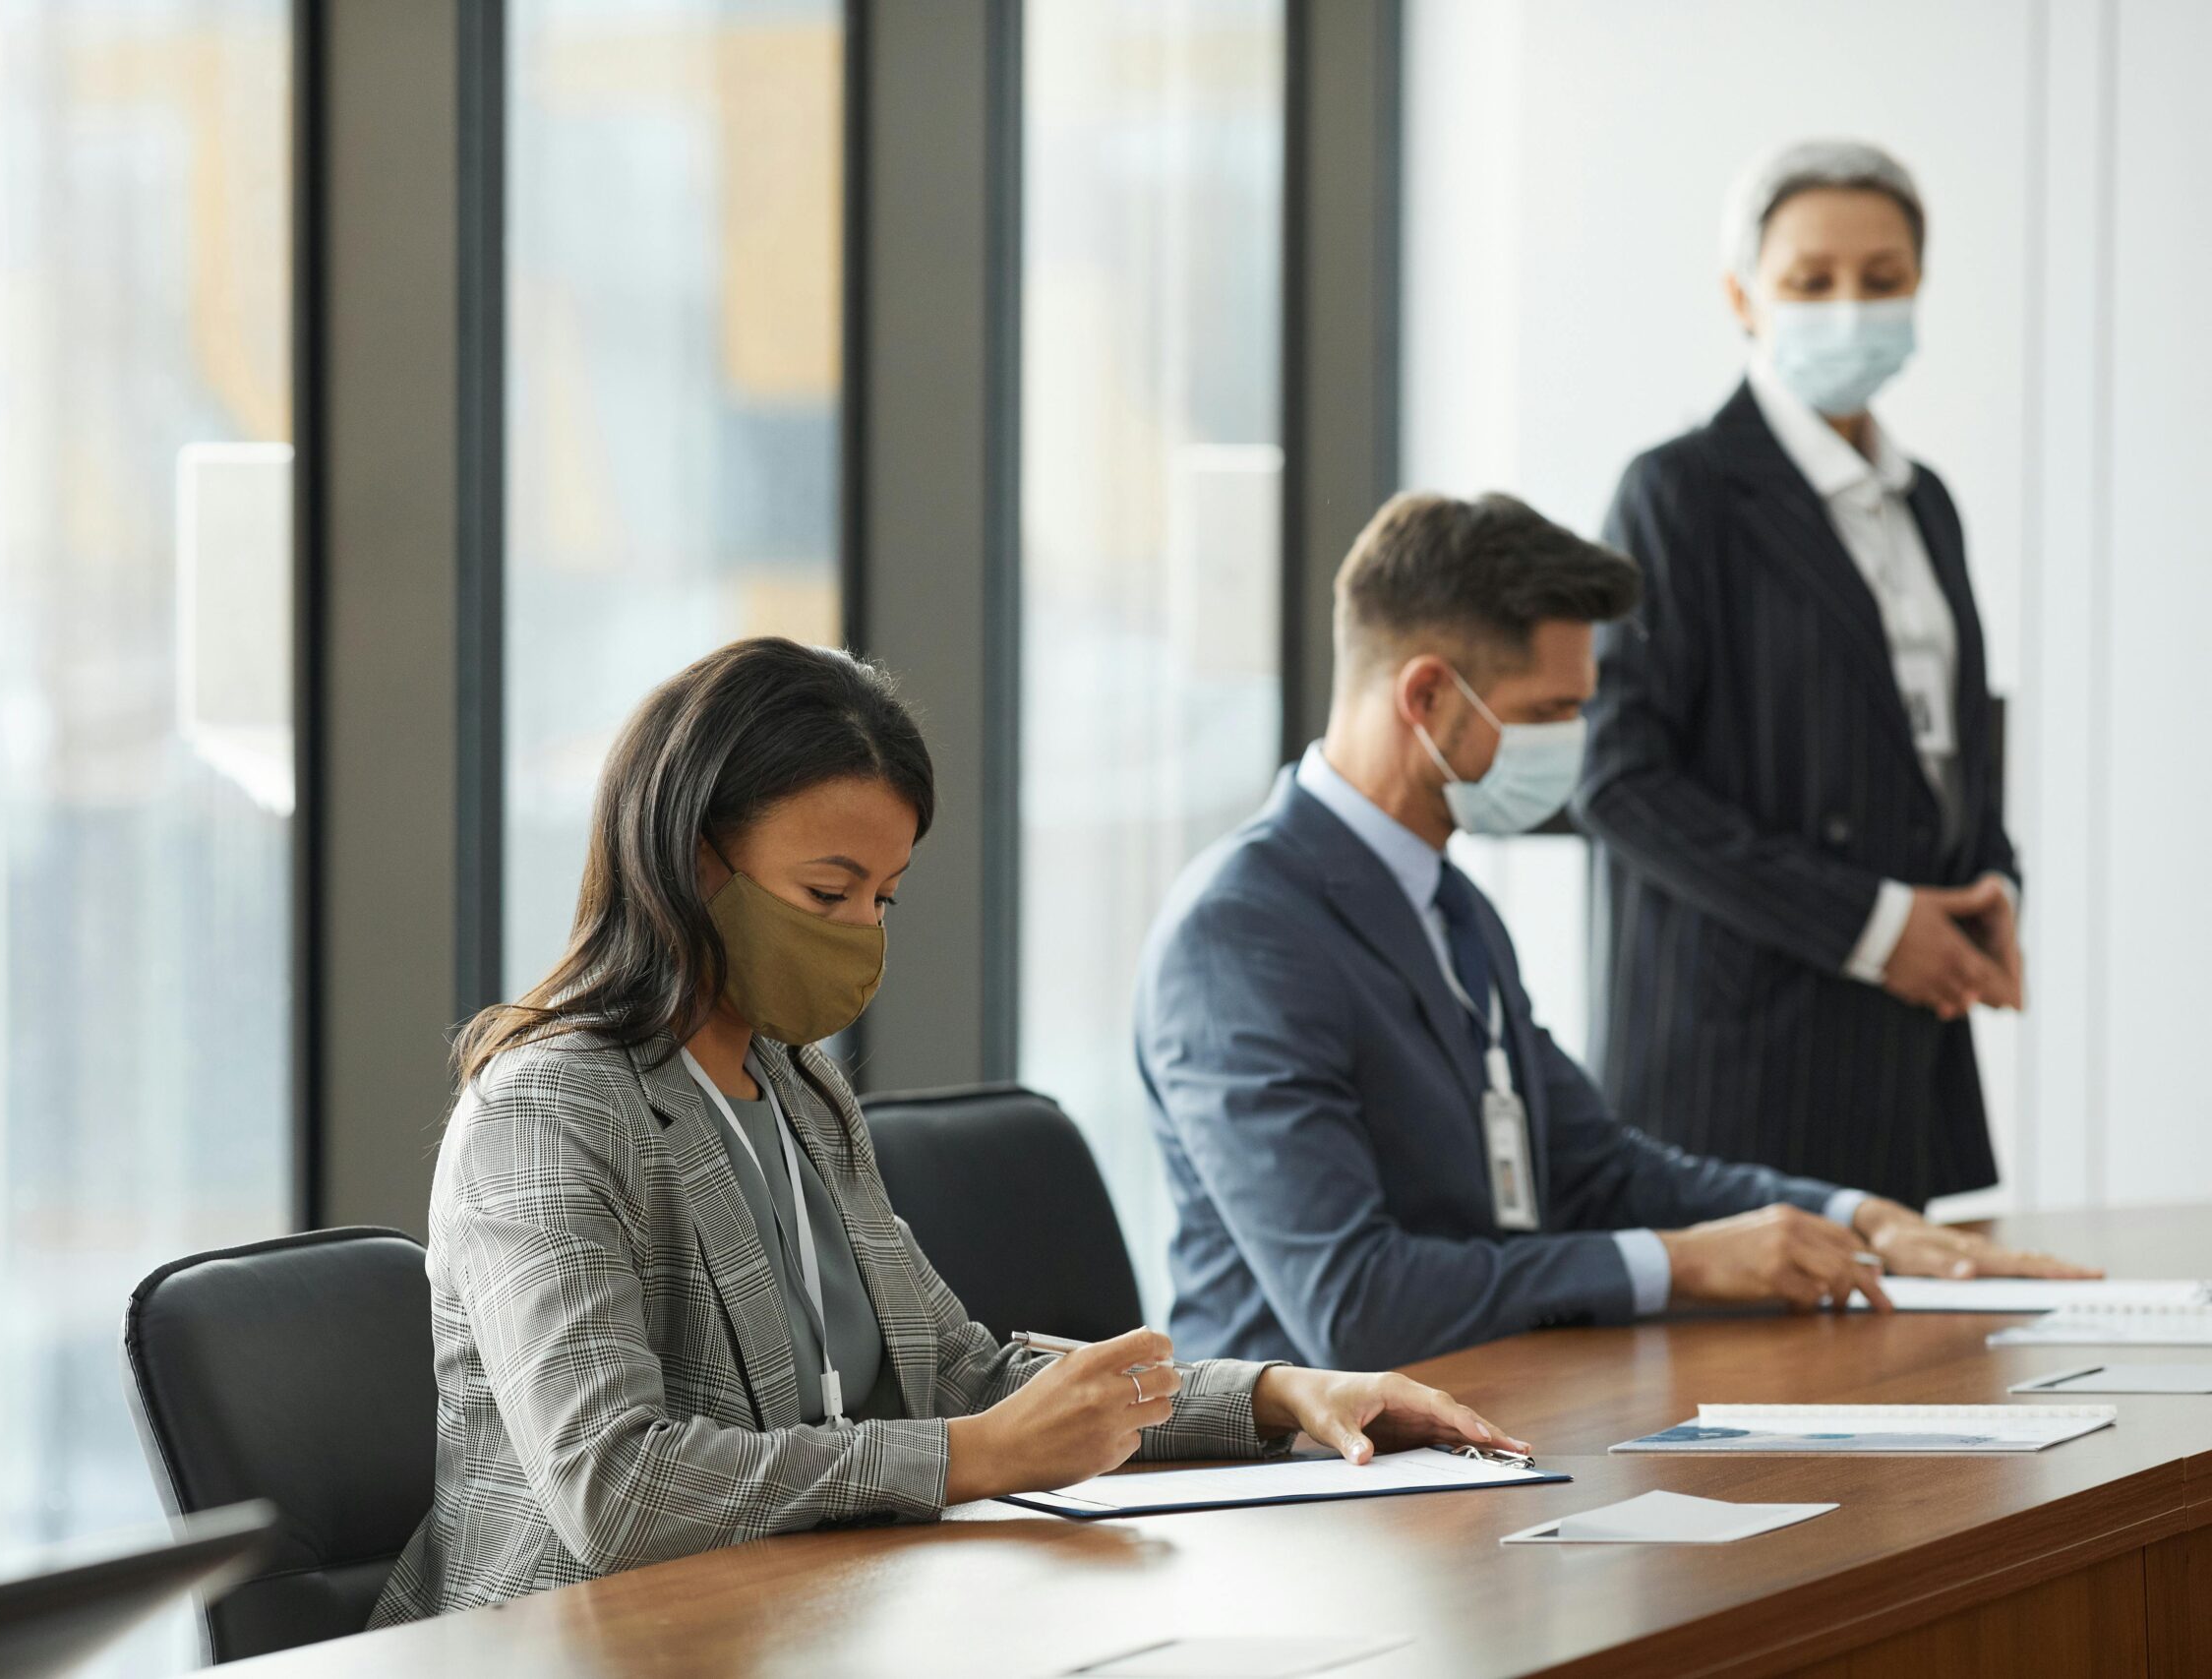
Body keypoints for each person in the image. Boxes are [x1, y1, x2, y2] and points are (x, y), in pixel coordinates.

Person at [370, 638, 1527, 1620]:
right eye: (827, 894)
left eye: (883, 897)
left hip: (807, 1618)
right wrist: (979, 1458)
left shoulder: (801, 1093)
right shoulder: (548, 1106)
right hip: (574, 1642)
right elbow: (613, 1486)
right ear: (690, 857)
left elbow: (957, 1372)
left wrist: (1282, 1398)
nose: (862, 932)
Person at [1136, 493, 2088, 1375]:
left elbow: (1601, 1168)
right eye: (1550, 712)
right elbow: (1353, 1305)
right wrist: (1681, 1264)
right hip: (1301, 1492)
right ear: (1425, 697)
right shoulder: (1238, 936)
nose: (1578, 742)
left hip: (1478, 1422)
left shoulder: (1449, 907)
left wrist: (1851, 1218)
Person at [1575, 140, 2024, 1208]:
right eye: (1808, 281)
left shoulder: (1927, 503)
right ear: (1742, 296)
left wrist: (1991, 886)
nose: (1848, 307)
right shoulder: (1677, 493)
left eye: (1882, 280)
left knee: (1916, 1367)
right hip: (1740, 1061)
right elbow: (1619, 780)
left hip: (1903, 1049)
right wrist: (1874, 927)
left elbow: (1940, 741)